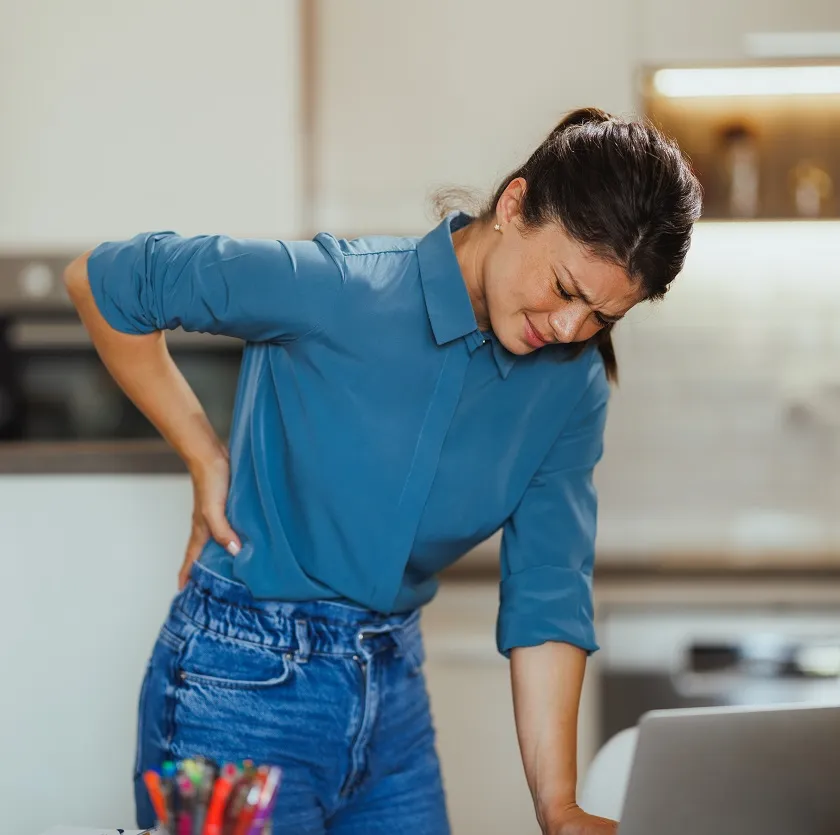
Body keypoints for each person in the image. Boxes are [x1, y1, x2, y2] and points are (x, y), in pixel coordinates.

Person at [64, 106, 701, 835]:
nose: (567, 328)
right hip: (235, 693)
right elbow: (103, 282)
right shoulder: (337, 287)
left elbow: (549, 589)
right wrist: (204, 454)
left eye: (601, 315)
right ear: (515, 205)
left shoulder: (569, 384)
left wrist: (557, 808)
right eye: (564, 287)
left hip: (390, 699)